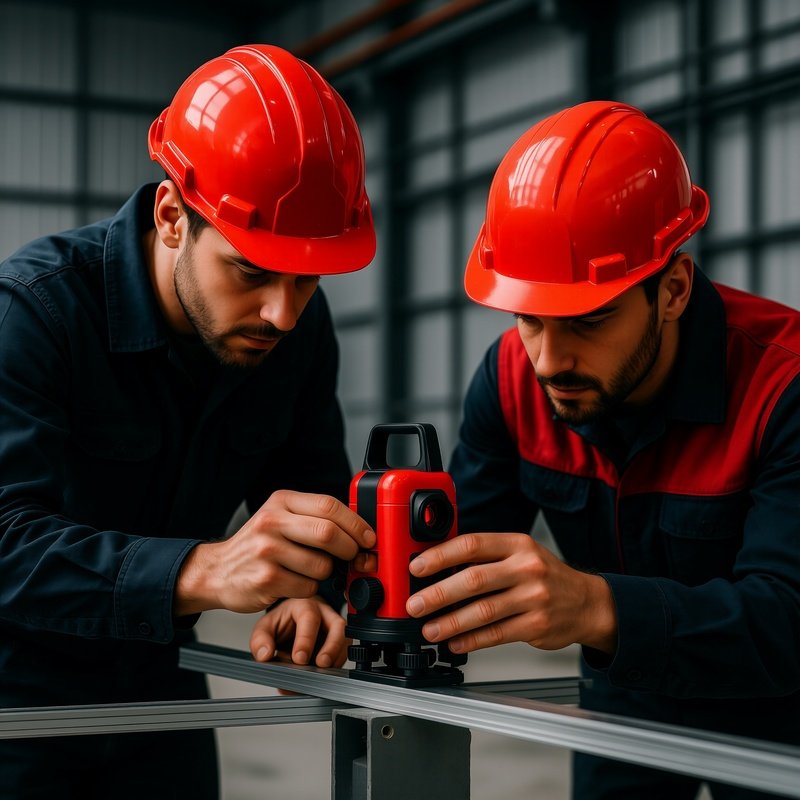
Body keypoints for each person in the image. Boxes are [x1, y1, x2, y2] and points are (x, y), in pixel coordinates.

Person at [0, 44, 376, 799]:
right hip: (17, 704)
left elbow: (314, 494)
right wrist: (201, 569)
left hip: (161, 692)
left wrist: (306, 596)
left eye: (308, 280)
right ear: (174, 216)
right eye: (251, 270)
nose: (282, 312)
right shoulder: (35, 313)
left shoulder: (297, 328)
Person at [403, 101, 800, 799]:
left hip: (783, 711)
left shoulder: (782, 385)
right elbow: (447, 566)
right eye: (529, 316)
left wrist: (594, 607)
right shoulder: (509, 381)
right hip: (627, 694)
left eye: (588, 320)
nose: (550, 359)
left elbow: (788, 618)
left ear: (672, 290)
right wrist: (348, 601)